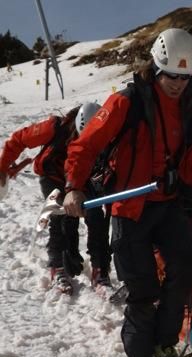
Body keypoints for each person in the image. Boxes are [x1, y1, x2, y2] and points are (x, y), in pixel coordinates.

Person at [62, 28, 192, 357]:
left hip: (169, 206)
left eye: (184, 77)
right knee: (142, 287)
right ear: (156, 68)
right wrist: (73, 187)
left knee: (181, 276)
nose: (177, 84)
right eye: (171, 76)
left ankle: (164, 344)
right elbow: (86, 144)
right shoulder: (127, 103)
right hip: (130, 207)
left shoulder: (189, 113)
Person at [0, 101, 113, 296]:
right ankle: (58, 267)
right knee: (59, 214)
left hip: (84, 179)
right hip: (53, 176)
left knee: (97, 216)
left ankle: (100, 270)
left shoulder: (107, 133)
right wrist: (2, 167)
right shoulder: (55, 128)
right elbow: (19, 139)